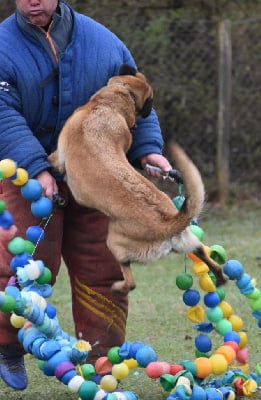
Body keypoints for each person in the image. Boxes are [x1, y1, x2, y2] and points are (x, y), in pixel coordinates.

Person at [0, 0, 172, 391]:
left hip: (96, 177)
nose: (32, 1)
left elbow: (133, 99)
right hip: (27, 175)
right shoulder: (2, 48)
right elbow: (2, 113)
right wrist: (36, 165)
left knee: (103, 268)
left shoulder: (105, 44)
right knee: (19, 268)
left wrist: (149, 149)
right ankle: (7, 345)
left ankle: (101, 360)